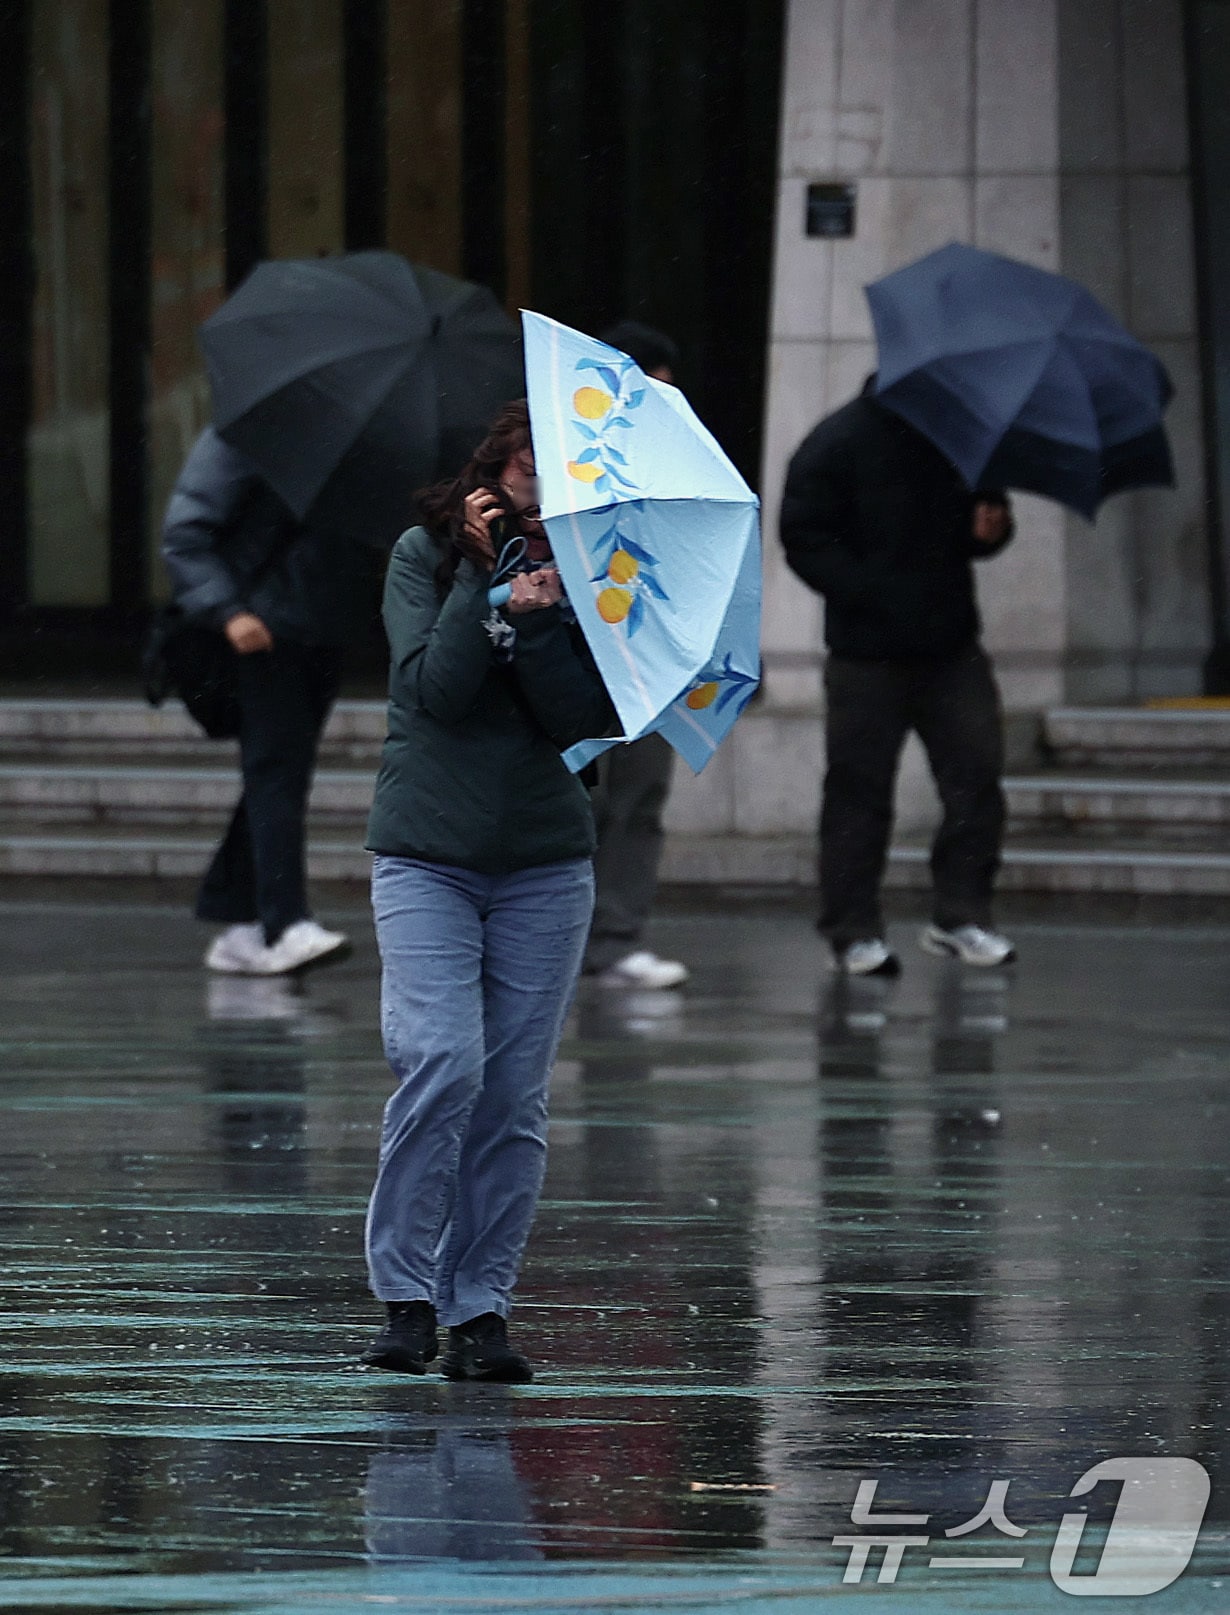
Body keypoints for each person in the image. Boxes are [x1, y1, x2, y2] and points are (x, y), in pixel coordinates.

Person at [360, 400, 614, 1382]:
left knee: (511, 1095)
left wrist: (545, 616)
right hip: (427, 849)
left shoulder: (596, 571)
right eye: (525, 475)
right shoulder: (422, 556)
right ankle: (406, 1293)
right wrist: (486, 581)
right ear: (490, 474)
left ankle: (480, 1307)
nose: (540, 497)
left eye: (560, 482)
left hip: (545, 859)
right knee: (443, 1062)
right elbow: (432, 690)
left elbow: (587, 719)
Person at [780, 377, 1017, 976]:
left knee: (977, 776)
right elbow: (802, 537)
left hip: (950, 645)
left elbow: (984, 522)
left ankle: (962, 912)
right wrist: (869, 592)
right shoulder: (838, 442)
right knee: (859, 792)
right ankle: (852, 928)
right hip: (867, 653)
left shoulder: (963, 439)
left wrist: (989, 530)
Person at [162, 427, 379, 975]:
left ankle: (239, 914)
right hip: (259, 629)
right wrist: (229, 611)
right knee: (276, 770)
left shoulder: (353, 441)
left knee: (282, 771)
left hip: (321, 627)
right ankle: (282, 922)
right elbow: (186, 534)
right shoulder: (247, 435)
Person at [581, 320, 689, 990]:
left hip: (650, 655)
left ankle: (616, 938)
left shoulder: (679, 462)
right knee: (581, 802)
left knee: (641, 793)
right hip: (584, 653)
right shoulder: (574, 456)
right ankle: (559, 937)